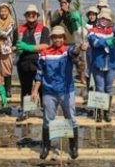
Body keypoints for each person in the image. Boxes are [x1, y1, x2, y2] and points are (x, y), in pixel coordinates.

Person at [32, 26, 87, 160]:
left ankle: (73, 147)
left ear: (64, 38)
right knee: (47, 120)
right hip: (49, 92)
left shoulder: (67, 51)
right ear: (51, 38)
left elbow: (74, 52)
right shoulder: (44, 53)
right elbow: (39, 73)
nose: (57, 39)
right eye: (55, 37)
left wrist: (80, 47)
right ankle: (46, 147)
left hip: (66, 91)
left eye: (60, 37)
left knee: (71, 118)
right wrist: (34, 90)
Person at [15, 4, 50, 121]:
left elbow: (45, 45)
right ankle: (26, 111)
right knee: (25, 88)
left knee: (42, 88)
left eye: (33, 14)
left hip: (39, 62)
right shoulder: (19, 30)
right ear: (25, 16)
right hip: (23, 63)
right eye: (29, 14)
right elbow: (13, 46)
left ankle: (45, 111)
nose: (31, 16)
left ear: (37, 16)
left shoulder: (44, 29)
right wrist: (16, 48)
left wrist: (28, 47)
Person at [87, 8, 115, 122]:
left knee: (109, 89)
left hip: (111, 63)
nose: (104, 20)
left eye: (107, 19)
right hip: (98, 63)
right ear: (99, 19)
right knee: (99, 88)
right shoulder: (92, 31)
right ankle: (99, 113)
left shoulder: (113, 31)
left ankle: (107, 112)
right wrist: (106, 42)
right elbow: (94, 43)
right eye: (102, 18)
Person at [50, 0, 85, 84]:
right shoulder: (57, 13)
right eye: (61, 2)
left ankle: (82, 78)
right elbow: (52, 24)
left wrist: (67, 12)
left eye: (65, 2)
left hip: (72, 41)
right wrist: (61, 15)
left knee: (78, 61)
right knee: (61, 63)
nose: (63, 4)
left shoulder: (73, 12)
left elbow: (72, 22)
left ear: (68, 3)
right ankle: (61, 79)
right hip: (60, 43)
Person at [0, 2, 18, 99]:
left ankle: (8, 90)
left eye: (5, 11)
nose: (3, 13)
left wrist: (15, 46)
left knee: (7, 70)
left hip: (7, 49)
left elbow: (14, 35)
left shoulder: (12, 23)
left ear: (9, 12)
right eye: (1, 11)